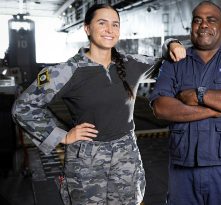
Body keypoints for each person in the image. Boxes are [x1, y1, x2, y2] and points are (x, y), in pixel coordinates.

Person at [12, 4, 187, 205]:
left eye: (115, 25)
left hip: (126, 158)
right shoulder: (67, 71)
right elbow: (23, 107)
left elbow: (168, 61)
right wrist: (63, 136)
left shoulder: (132, 63)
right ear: (87, 28)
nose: (109, 30)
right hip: (86, 161)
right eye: (102, 23)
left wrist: (173, 43)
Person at [149, 1, 221, 204]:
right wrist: (214, 110)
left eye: (211, 20)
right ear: (191, 26)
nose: (204, 25)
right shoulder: (174, 62)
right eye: (198, 20)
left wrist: (198, 95)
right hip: (183, 172)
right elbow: (161, 107)